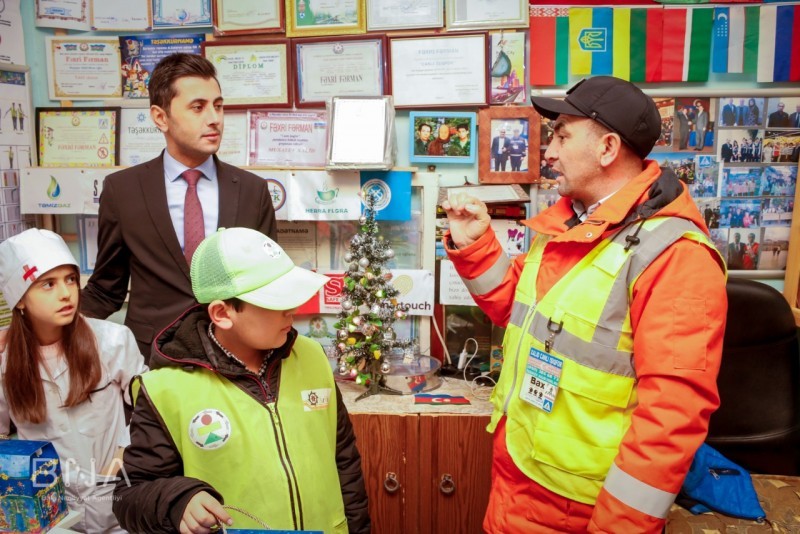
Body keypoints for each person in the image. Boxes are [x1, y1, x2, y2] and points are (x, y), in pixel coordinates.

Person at [441, 76, 726, 533]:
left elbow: (670, 420)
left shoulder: (677, 256)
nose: (548, 151)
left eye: (562, 135)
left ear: (608, 148)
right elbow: (519, 311)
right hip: (519, 480)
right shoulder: (572, 224)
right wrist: (476, 245)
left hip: (581, 510)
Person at [113, 228, 369, 533]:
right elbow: (128, 495)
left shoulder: (312, 357)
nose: (292, 310)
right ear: (222, 313)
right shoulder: (166, 390)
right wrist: (176, 500)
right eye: (276, 300)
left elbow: (345, 463)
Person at [79, 53, 277, 361]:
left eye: (218, 105)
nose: (214, 118)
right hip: (154, 359)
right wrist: (37, 328)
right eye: (198, 107)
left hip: (233, 358)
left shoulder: (253, 190)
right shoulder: (123, 191)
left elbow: (267, 282)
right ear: (160, 117)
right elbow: (106, 289)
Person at [0, 229, 147, 533]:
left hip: (117, 495)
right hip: (49, 508)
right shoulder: (5, 362)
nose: (66, 293)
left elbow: (150, 410)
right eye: (48, 284)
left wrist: (120, 458)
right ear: (20, 300)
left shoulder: (111, 341)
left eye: (70, 279)